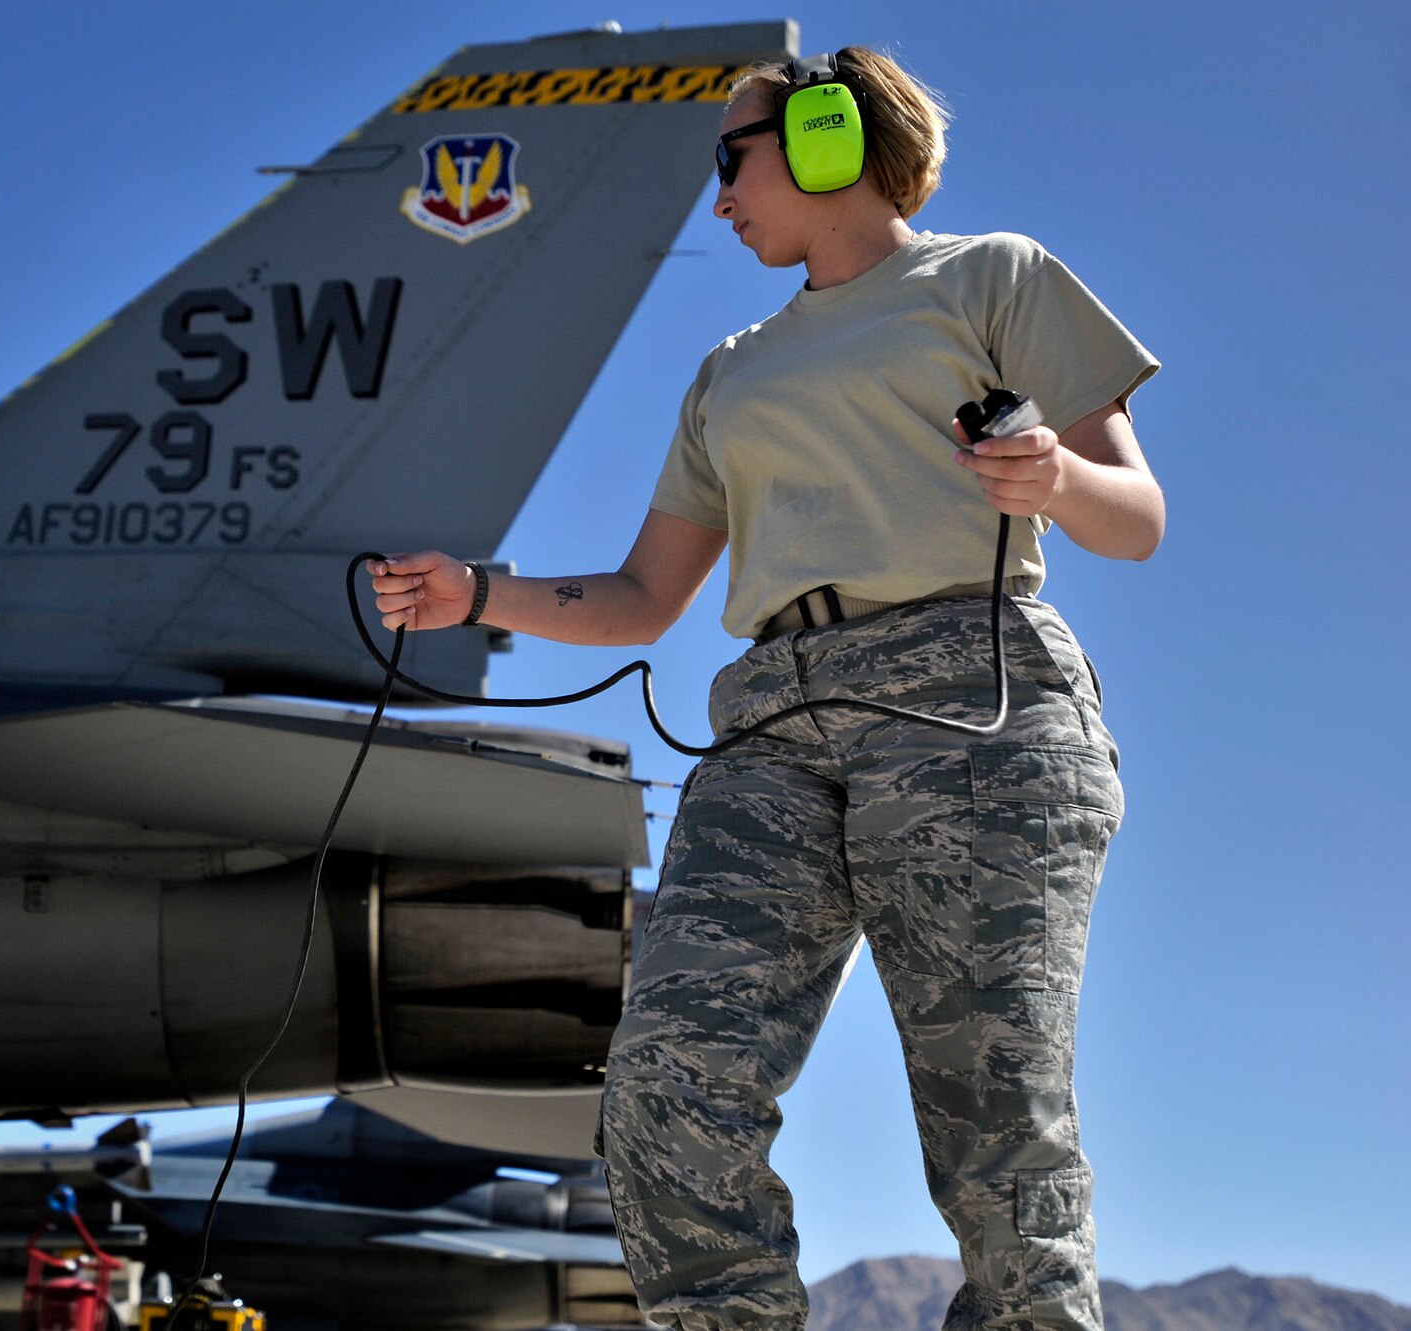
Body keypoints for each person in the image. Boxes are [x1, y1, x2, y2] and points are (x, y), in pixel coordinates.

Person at [367, 45, 1161, 1331]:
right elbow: (640, 597)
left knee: (992, 1112)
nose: (716, 195)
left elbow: (1136, 517)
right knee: (667, 1080)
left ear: (830, 141)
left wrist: (1050, 482)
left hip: (974, 699)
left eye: (727, 158)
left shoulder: (991, 276)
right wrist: (476, 594)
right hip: (773, 727)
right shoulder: (728, 371)